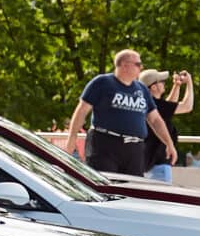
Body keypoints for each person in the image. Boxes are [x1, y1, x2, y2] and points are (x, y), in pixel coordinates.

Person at [65, 48, 175, 177]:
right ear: (124, 65)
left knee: (133, 190)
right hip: (105, 146)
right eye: (138, 64)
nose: (141, 67)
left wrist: (169, 143)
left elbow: (155, 119)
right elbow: (81, 111)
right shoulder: (102, 82)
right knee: (105, 187)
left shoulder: (142, 89)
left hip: (134, 149)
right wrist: (71, 139)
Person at [142, 68, 194, 181]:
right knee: (160, 198)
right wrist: (189, 83)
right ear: (153, 87)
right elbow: (187, 106)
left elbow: (168, 108)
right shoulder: (157, 105)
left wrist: (177, 86)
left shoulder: (149, 104)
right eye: (161, 82)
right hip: (159, 165)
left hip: (149, 163)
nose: (164, 83)